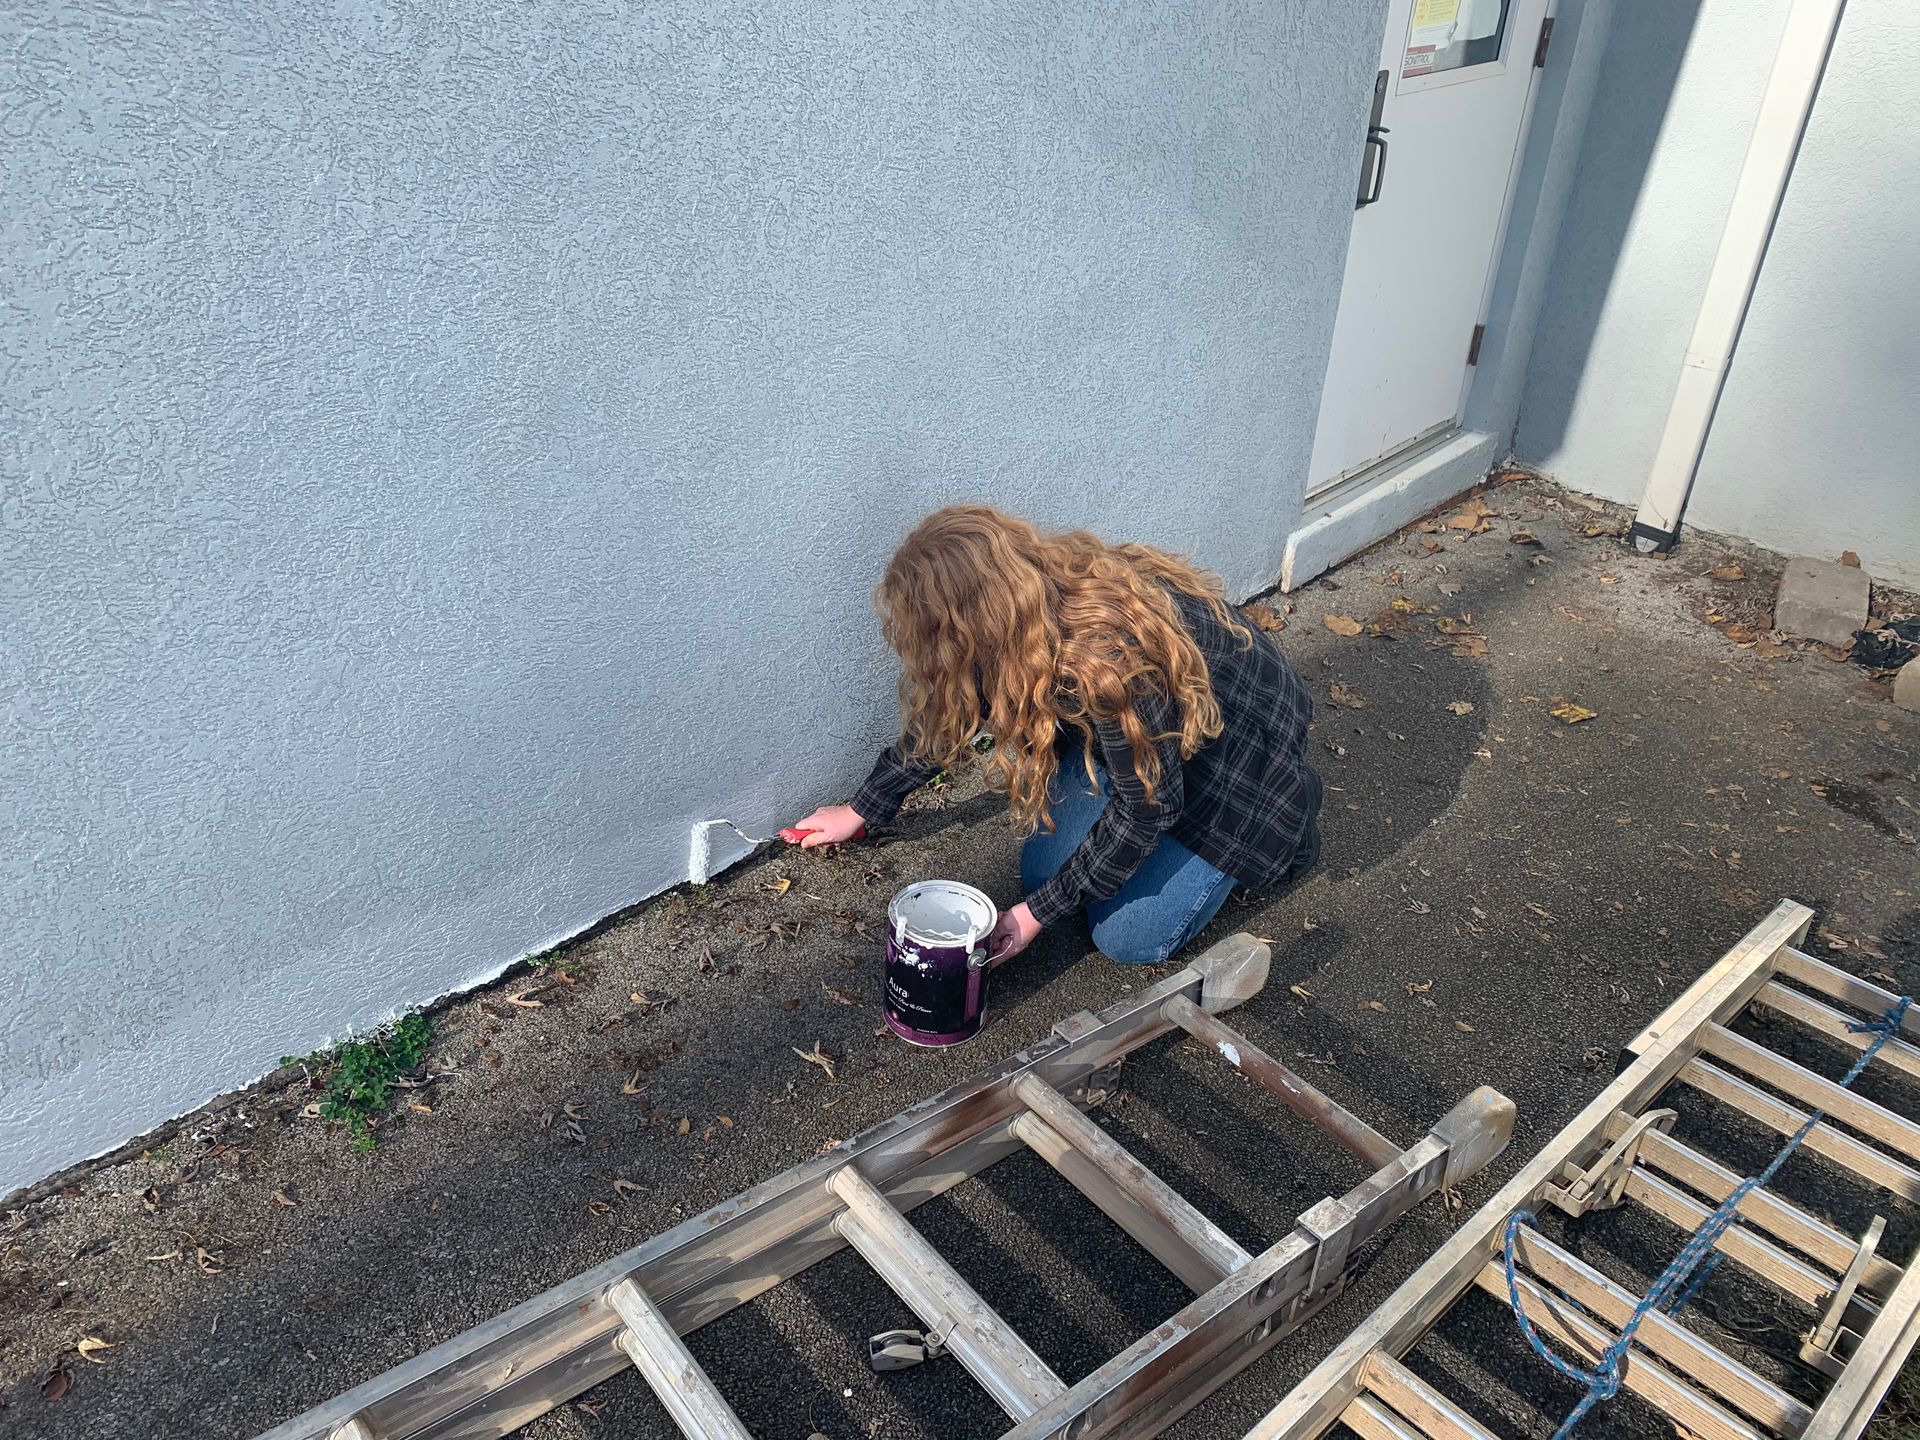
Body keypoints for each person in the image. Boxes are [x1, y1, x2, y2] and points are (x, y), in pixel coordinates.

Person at [791, 505, 1321, 966]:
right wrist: (864, 808)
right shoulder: (1029, 611)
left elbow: (1148, 812)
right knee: (1043, 871)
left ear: (972, 625)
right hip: (1163, 752)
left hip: (1243, 780)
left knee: (1125, 939)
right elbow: (955, 709)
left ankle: (1291, 829)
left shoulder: (1106, 661)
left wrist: (1031, 919)